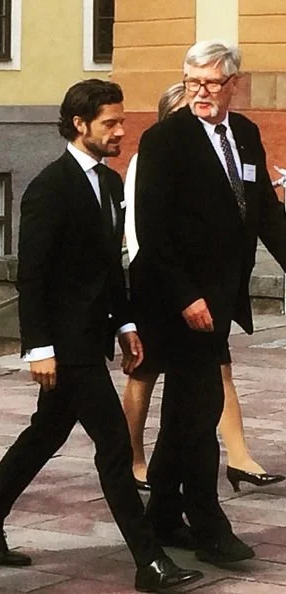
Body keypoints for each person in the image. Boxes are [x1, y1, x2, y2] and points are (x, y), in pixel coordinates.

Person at [0, 79, 203, 593]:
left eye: (121, 121)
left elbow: (111, 269)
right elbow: (34, 274)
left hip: (92, 337)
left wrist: (127, 323)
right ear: (79, 124)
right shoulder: (50, 186)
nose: (120, 131)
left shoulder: (111, 185)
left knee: (45, 433)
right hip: (65, 347)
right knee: (114, 446)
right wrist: (39, 348)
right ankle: (149, 562)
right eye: (110, 123)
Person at [132, 40, 286, 566]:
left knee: (184, 412)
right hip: (175, 302)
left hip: (220, 298)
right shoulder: (164, 140)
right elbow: (153, 234)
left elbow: (264, 211)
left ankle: (162, 517)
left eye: (211, 83)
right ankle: (207, 523)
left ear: (233, 85)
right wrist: (186, 296)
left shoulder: (243, 134)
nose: (200, 92)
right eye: (192, 81)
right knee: (200, 411)